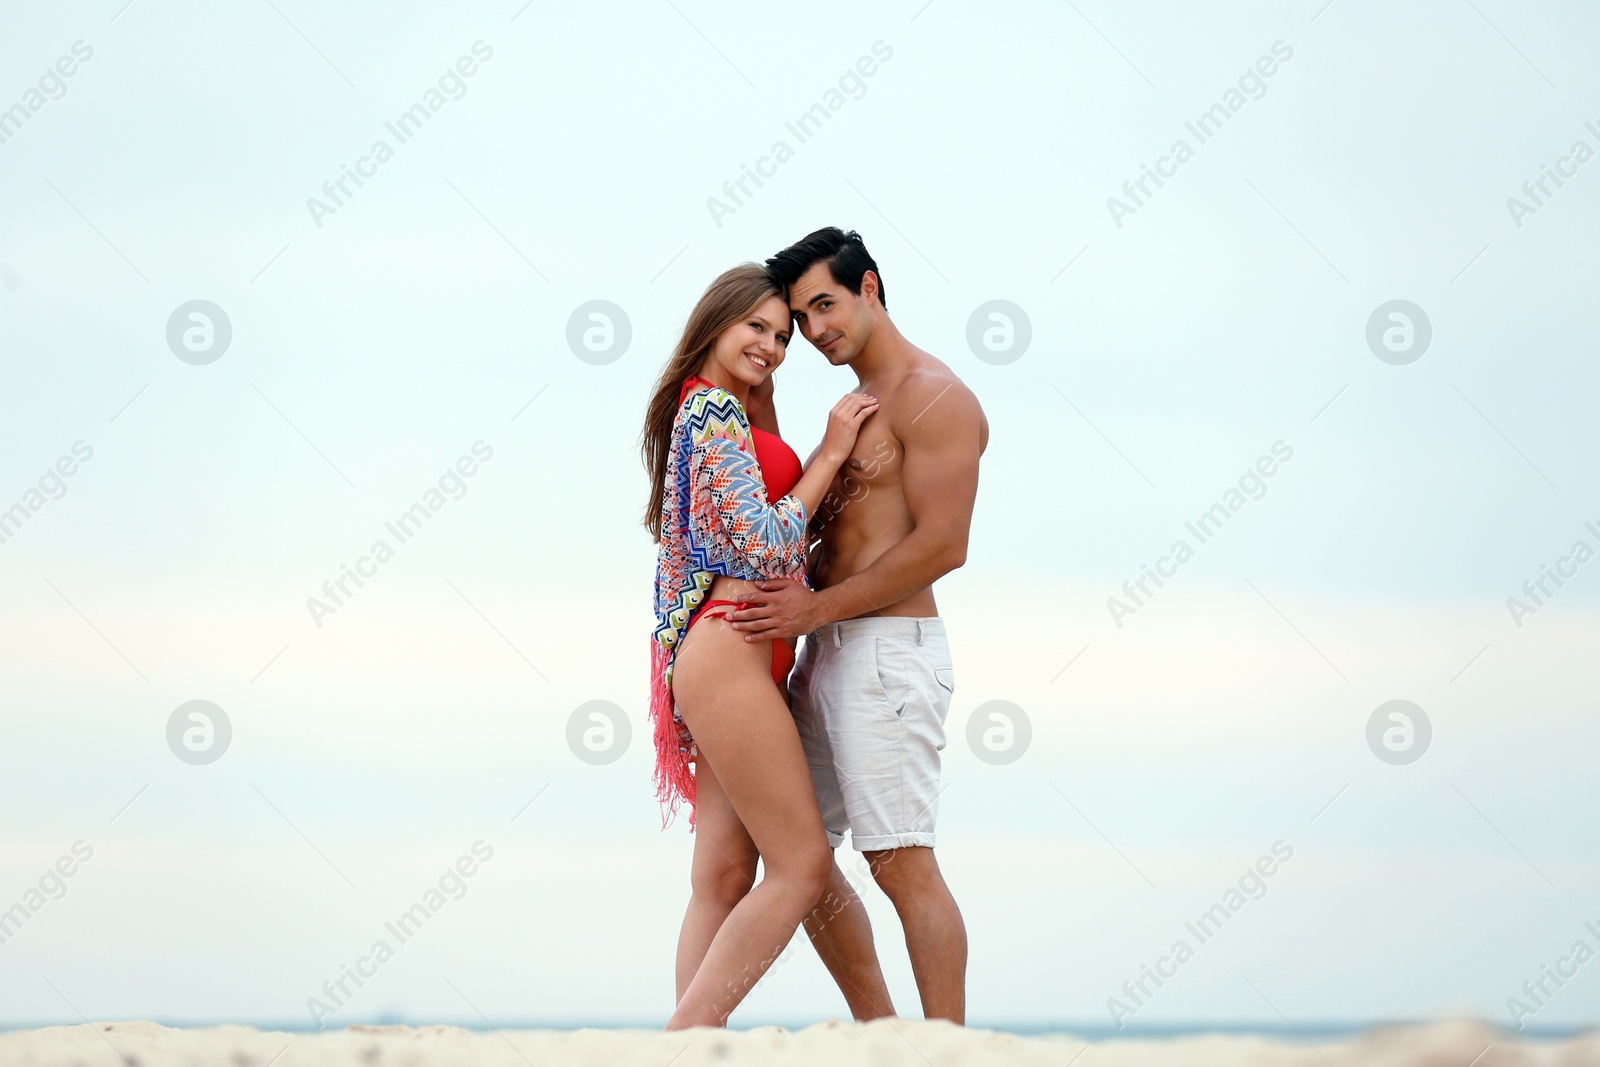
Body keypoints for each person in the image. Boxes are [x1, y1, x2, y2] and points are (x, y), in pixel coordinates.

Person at [726, 228, 989, 1024]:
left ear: (870, 286)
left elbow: (945, 545)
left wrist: (813, 609)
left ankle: (945, 1044)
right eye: (801, 317)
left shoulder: (938, 396)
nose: (813, 330)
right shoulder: (855, 408)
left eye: (824, 305)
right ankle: (883, 1034)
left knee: (901, 859)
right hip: (824, 650)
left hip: (888, 654)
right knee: (796, 854)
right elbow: (815, 525)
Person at [640, 263, 891, 1029]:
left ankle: (689, 1044)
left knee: (721, 874)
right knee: (803, 863)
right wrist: (830, 453)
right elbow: (759, 542)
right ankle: (691, 1034)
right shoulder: (711, 411)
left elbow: (769, 520)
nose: (774, 345)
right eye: (757, 327)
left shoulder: (725, 414)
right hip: (729, 653)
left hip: (731, 656)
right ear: (715, 322)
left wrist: (781, 420)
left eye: (783, 336)